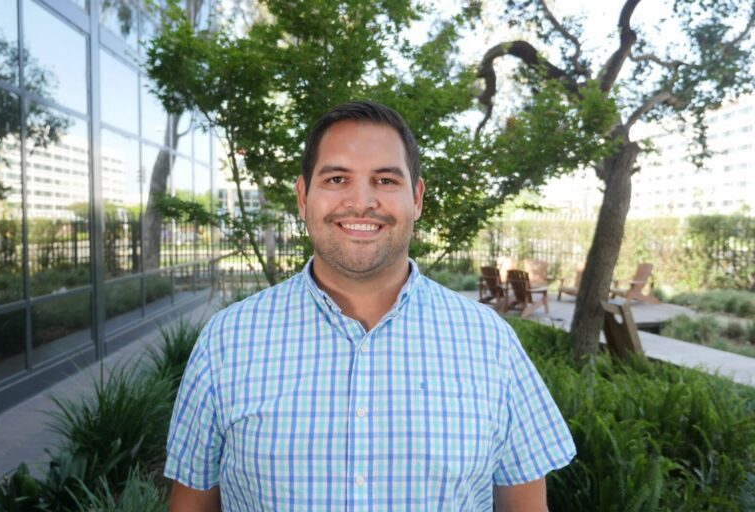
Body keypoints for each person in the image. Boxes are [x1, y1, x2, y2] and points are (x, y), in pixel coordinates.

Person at [164, 100, 576, 511]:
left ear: (416, 197)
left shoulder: (491, 342)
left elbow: (524, 504)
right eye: (337, 178)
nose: (361, 201)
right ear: (303, 196)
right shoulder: (227, 340)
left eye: (384, 180)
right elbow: (191, 503)